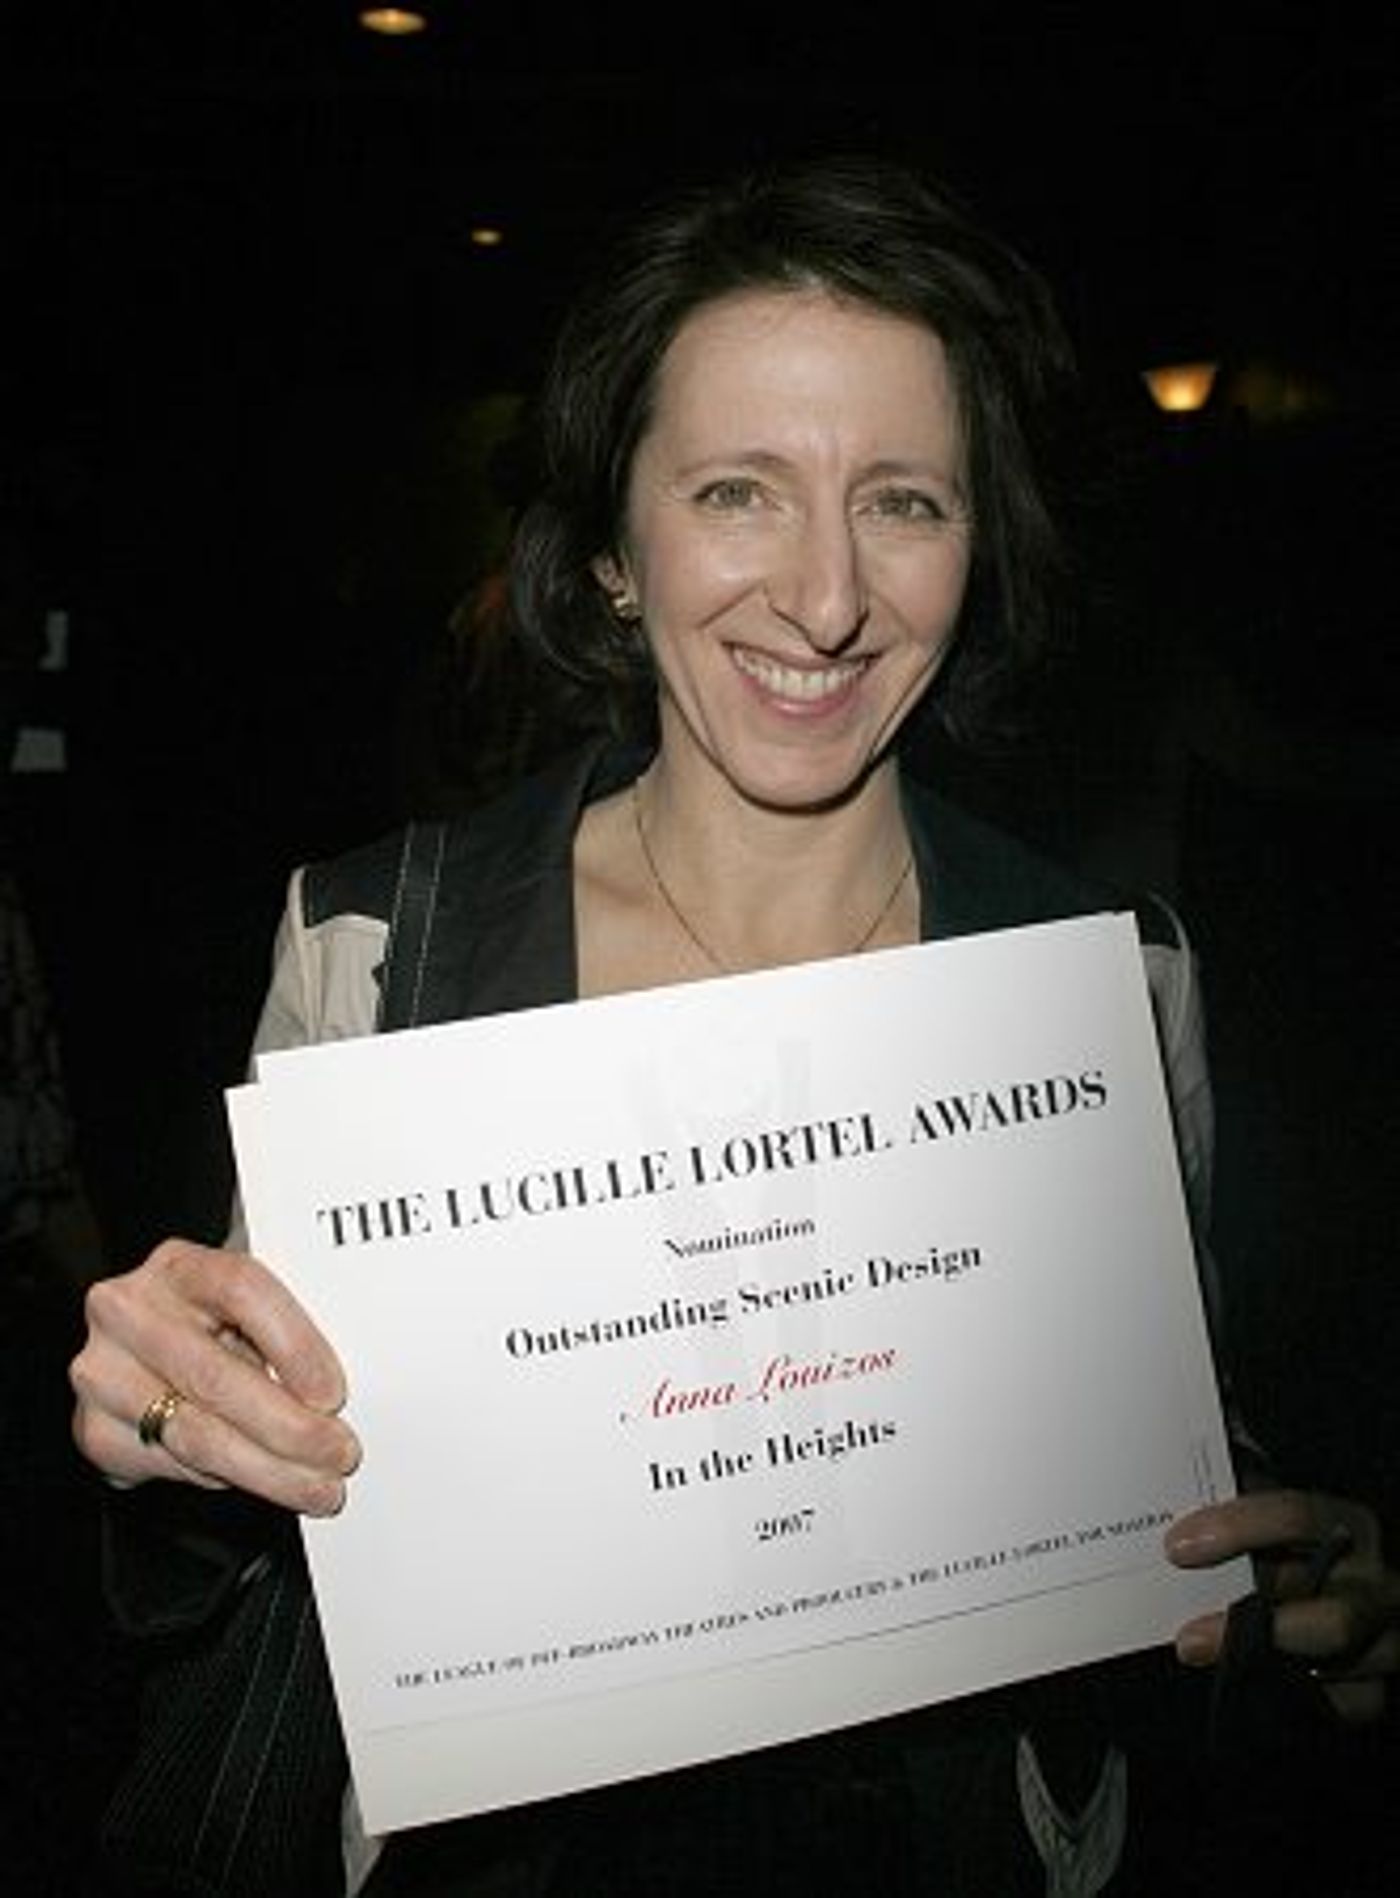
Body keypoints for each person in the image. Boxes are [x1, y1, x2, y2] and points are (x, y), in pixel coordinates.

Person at [68, 153, 1397, 1897]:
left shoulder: (1111, 981)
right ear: (615, 551)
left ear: (978, 545)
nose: (827, 598)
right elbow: (267, 1513)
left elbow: (1162, 1461)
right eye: (737, 492)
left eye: (904, 501)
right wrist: (172, 1432)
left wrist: (1296, 1592)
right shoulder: (380, 949)